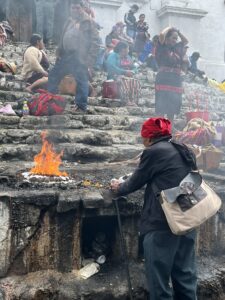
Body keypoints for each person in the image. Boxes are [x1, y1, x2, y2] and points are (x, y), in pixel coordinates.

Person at [111, 117, 197, 300]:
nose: (143, 142)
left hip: (163, 223)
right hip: (188, 218)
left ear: (149, 138)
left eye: (143, 138)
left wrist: (118, 188)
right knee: (185, 276)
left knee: (159, 283)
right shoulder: (181, 148)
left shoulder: (154, 151)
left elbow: (135, 181)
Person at [48, 0, 100, 113]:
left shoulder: (89, 22)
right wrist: (59, 53)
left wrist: (89, 61)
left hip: (79, 57)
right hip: (66, 55)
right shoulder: (69, 21)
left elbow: (96, 42)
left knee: (81, 80)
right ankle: (51, 101)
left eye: (77, 8)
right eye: (73, 8)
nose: (75, 10)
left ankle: (81, 106)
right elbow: (63, 38)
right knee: (53, 74)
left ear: (82, 8)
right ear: (70, 9)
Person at [155, 27, 188, 121]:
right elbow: (161, 35)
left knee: (173, 104)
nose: (175, 40)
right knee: (162, 103)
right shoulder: (162, 46)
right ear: (167, 38)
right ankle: (160, 126)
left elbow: (185, 41)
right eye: (173, 38)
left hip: (176, 79)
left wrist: (178, 31)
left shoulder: (177, 48)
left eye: (176, 38)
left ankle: (170, 126)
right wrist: (170, 27)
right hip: (164, 78)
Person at [106, 41, 140, 105]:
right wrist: (124, 72)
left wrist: (133, 71)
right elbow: (112, 68)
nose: (128, 50)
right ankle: (126, 100)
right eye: (128, 48)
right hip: (115, 76)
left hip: (127, 76)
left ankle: (133, 100)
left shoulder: (128, 57)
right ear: (123, 49)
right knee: (123, 80)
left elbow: (135, 67)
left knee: (135, 81)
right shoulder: (113, 56)